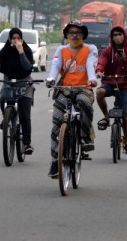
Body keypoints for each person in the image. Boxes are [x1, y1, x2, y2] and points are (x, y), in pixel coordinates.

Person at [45, 21, 98, 178]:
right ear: (66, 35)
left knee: (84, 102)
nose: (74, 35)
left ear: (83, 35)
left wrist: (92, 79)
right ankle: (55, 161)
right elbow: (55, 66)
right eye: (71, 32)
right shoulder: (61, 50)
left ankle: (86, 136)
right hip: (65, 90)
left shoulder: (90, 49)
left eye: (78, 32)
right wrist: (51, 79)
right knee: (56, 124)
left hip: (84, 88)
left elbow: (90, 65)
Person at [0, 28, 36, 155]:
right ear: (10, 39)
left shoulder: (26, 50)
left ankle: (27, 144)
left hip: (24, 83)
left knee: (24, 115)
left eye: (19, 38)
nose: (16, 40)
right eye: (14, 38)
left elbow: (27, 67)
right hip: (9, 82)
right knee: (3, 98)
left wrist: (21, 51)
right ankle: (6, 117)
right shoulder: (5, 50)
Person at [96, 25, 127, 156]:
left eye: (120, 34)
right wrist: (99, 71)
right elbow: (101, 62)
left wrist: (125, 61)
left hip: (125, 85)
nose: (117, 37)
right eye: (114, 35)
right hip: (109, 82)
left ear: (124, 36)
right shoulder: (107, 52)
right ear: (112, 38)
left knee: (125, 115)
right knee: (99, 92)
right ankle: (106, 117)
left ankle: (126, 142)